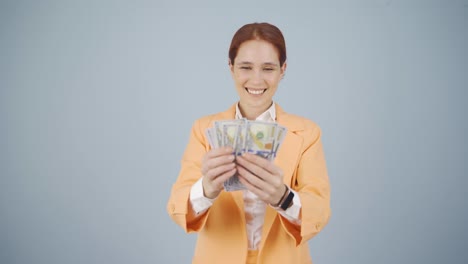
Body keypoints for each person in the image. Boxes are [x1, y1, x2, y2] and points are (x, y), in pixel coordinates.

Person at [167, 22, 331, 264]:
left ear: (282, 70)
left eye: (268, 68)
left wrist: (283, 198)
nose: (257, 79)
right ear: (231, 67)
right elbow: (177, 206)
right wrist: (207, 188)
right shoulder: (204, 130)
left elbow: (319, 210)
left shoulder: (307, 133)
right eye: (245, 67)